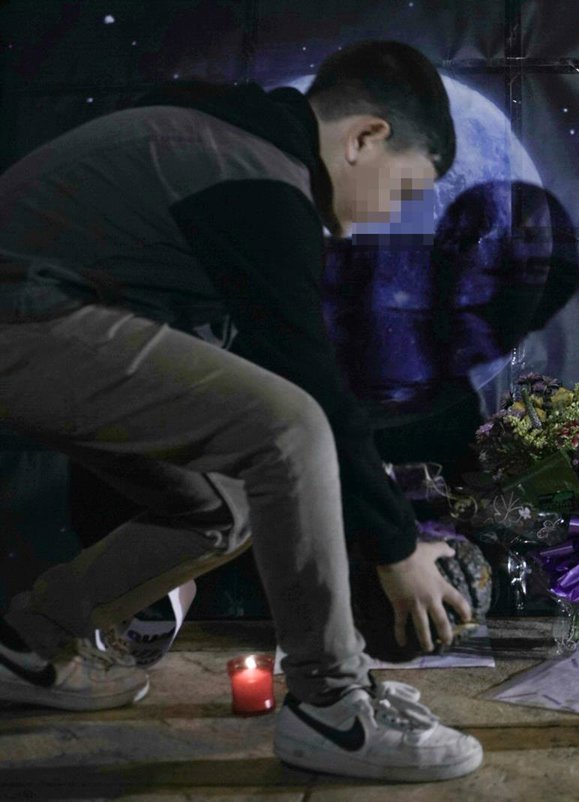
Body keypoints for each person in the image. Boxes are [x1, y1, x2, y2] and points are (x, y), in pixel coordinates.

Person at [0, 41, 482, 782]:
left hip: (48, 317)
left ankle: (27, 645)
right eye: (405, 190)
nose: (390, 216)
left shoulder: (235, 148)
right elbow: (308, 393)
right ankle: (332, 706)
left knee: (227, 504)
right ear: (365, 138)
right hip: (23, 316)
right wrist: (397, 549)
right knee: (289, 425)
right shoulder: (254, 176)